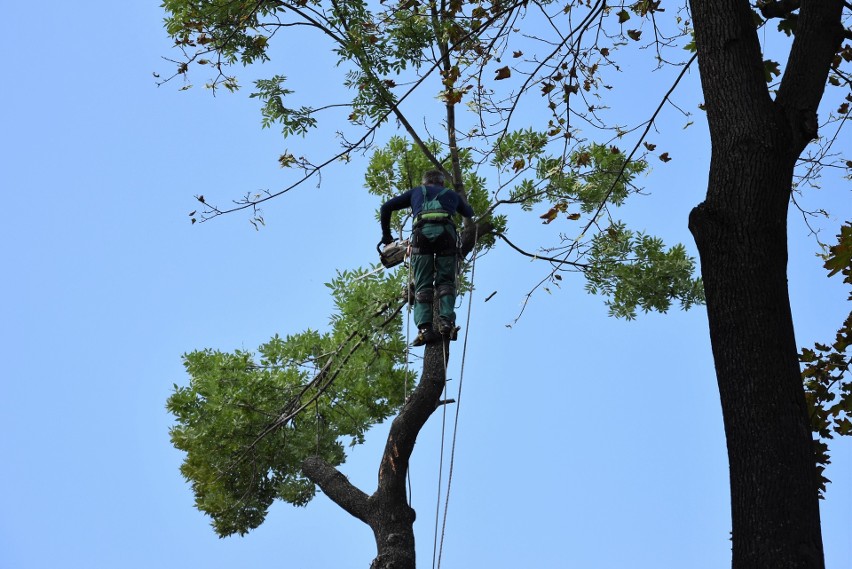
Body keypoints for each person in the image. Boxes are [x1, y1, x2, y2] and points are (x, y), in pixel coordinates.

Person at [380, 169, 474, 346]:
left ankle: (425, 330)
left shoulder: (416, 192)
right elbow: (469, 213)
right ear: (442, 183)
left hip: (421, 235)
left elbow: (386, 207)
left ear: (424, 183)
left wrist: (387, 237)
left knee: (423, 283)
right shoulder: (451, 195)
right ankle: (446, 322)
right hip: (447, 234)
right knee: (446, 282)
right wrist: (461, 197)